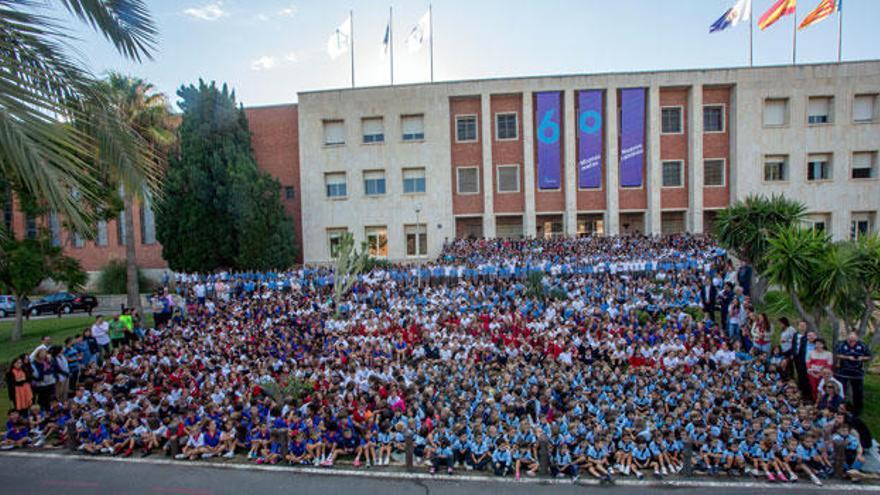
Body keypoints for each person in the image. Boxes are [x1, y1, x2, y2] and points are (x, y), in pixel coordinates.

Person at [834, 332, 871, 414]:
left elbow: (868, 356)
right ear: (847, 338)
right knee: (840, 390)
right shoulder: (842, 344)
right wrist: (847, 357)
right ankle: (839, 407)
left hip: (857, 373)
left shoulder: (862, 345)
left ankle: (858, 410)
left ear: (856, 339)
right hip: (843, 372)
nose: (851, 342)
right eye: (850, 340)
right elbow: (837, 355)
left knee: (858, 392)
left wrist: (862, 358)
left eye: (853, 340)